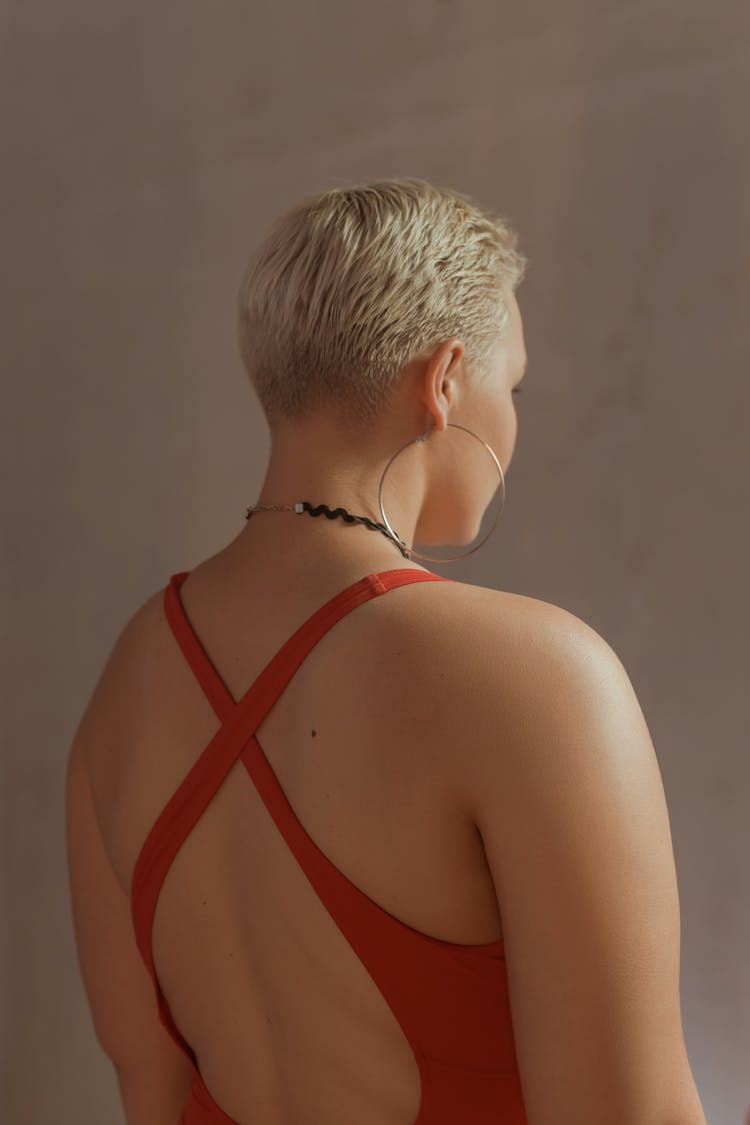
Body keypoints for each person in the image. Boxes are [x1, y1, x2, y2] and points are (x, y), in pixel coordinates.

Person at [65, 177, 707, 1125]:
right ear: (444, 381)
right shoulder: (537, 680)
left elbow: (150, 1095)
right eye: (513, 384)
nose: (516, 421)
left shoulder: (121, 689)